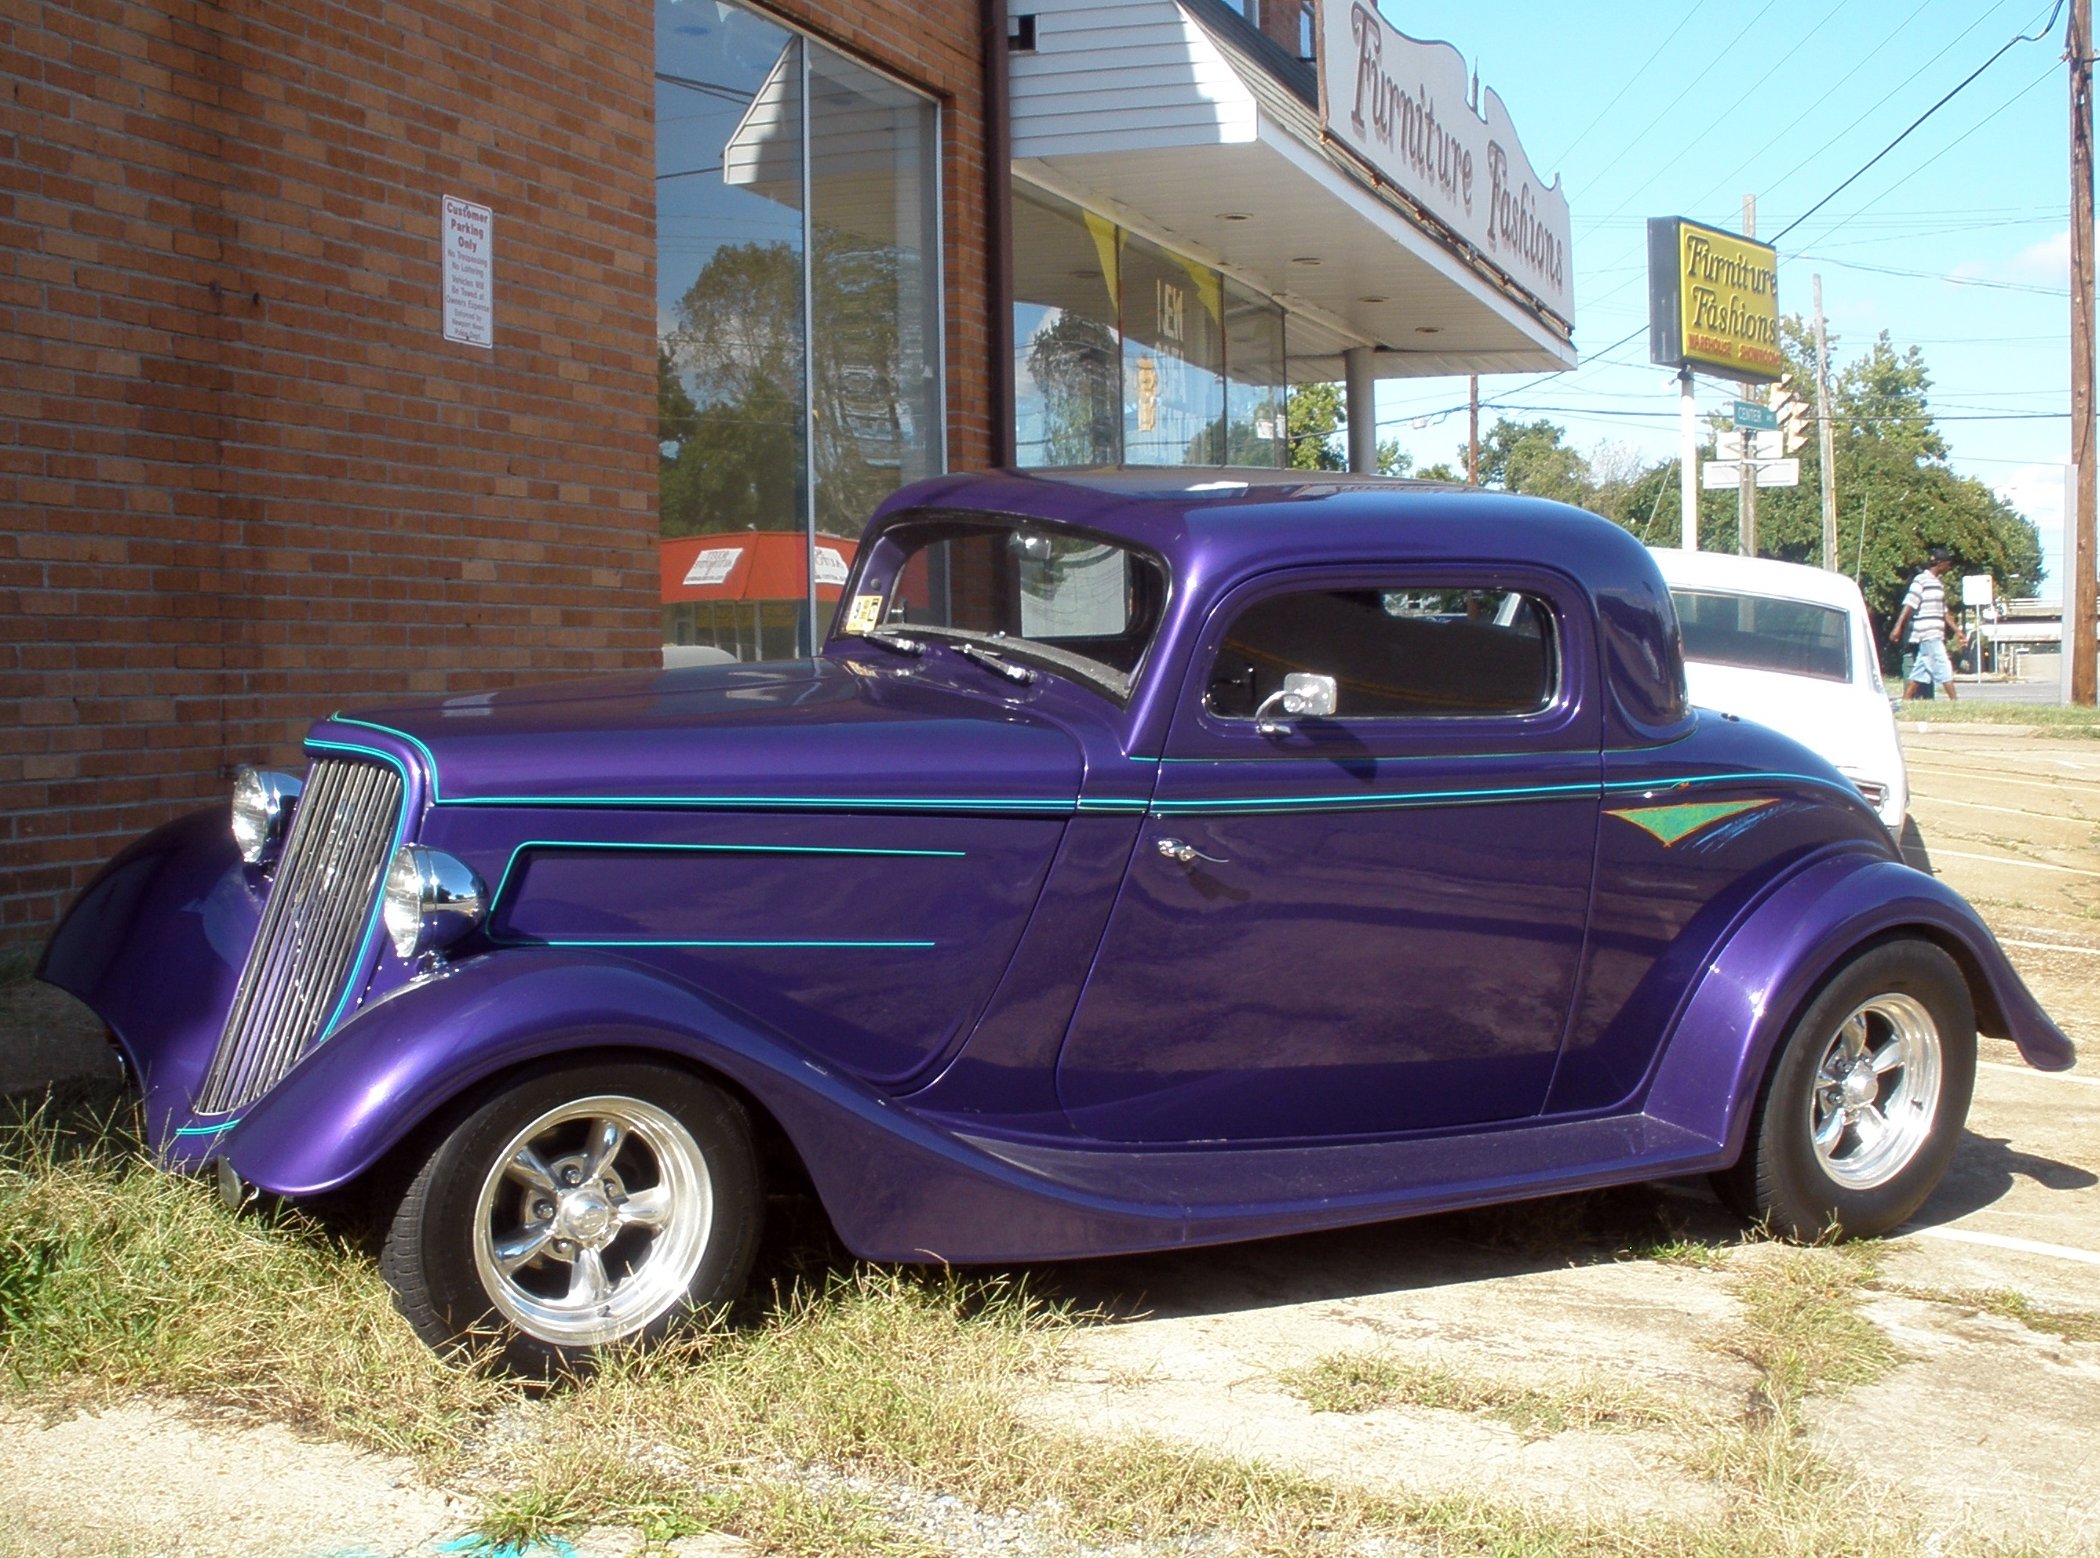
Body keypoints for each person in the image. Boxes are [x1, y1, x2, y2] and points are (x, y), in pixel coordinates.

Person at [1889, 546, 1960, 701]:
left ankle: (1905, 701)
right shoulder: (1921, 580)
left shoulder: (1938, 584)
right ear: (1940, 564)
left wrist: (1958, 631)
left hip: (1936, 633)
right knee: (1944, 666)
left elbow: (1944, 612)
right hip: (1926, 633)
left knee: (1920, 672)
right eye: (1948, 563)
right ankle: (1955, 702)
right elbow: (1909, 604)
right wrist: (1898, 627)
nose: (1949, 567)